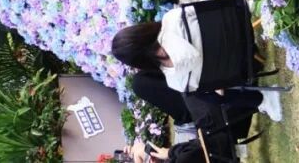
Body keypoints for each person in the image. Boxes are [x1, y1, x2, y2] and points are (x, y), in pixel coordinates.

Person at [112, 18, 286, 120]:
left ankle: (262, 99)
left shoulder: (173, 74)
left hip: (234, 67)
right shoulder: (171, 18)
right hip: (237, 32)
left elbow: (206, 84)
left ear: (138, 61)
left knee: (209, 96)